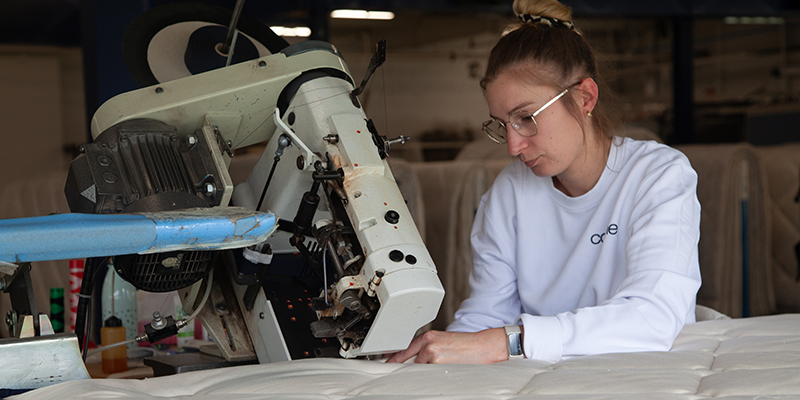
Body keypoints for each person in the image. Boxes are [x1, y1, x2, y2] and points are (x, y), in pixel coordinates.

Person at [387, 0, 702, 364]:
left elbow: (653, 318)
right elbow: (486, 318)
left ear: (585, 97)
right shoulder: (509, 193)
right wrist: (433, 354)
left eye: (526, 117)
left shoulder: (657, 175)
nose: (512, 145)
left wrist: (513, 341)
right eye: (501, 124)